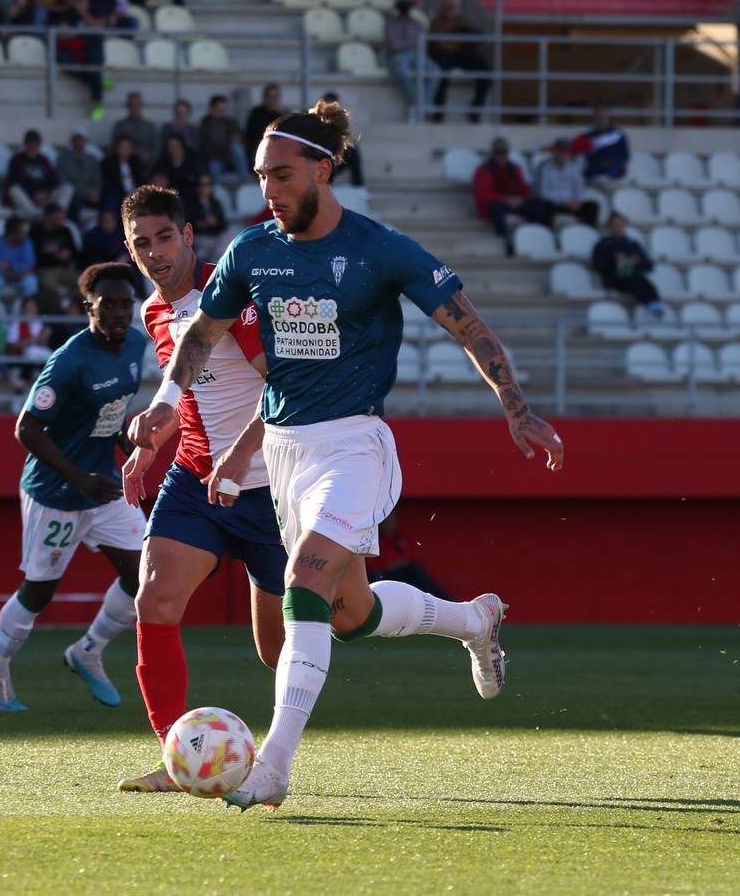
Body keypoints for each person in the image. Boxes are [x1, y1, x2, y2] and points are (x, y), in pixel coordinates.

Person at [127, 99, 564, 809]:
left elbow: (468, 326)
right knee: (347, 613)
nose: (269, 189)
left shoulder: (378, 248)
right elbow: (200, 338)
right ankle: (471, 621)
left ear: (323, 170)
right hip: (289, 456)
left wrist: (515, 405)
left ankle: (271, 769)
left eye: (283, 173)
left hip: (354, 445)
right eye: (262, 175)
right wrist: (167, 406)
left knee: (305, 577)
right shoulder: (251, 252)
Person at [107, 184, 281, 791]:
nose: (154, 253)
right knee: (153, 600)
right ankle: (178, 761)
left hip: (270, 487)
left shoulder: (232, 295)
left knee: (295, 641)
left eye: (163, 237)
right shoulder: (155, 313)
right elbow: (189, 398)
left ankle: (457, 619)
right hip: (195, 480)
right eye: (140, 244)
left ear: (187, 235)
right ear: (130, 252)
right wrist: (148, 449)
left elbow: (285, 392)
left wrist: (240, 456)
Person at [0, 261, 149, 712]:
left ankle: (87, 651)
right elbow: (27, 428)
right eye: (107, 304)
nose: (116, 313)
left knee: (144, 571)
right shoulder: (69, 361)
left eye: (124, 304)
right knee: (39, 591)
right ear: (88, 305)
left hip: (102, 486)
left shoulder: (134, 344)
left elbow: (107, 413)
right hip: (56, 491)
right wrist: (79, 478)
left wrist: (124, 451)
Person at [427, 0, 491, 124]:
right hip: (442, 55)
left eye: (454, 6)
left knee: (486, 69)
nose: (451, 9)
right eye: (449, 5)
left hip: (459, 55)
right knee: (442, 73)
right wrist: (450, 44)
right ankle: (438, 113)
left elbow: (473, 40)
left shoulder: (462, 22)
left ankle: (476, 109)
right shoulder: (436, 22)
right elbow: (435, 43)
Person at [592, 212, 665, 318]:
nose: (618, 228)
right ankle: (652, 306)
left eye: (620, 225)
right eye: (615, 226)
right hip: (614, 279)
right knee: (634, 279)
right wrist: (614, 259)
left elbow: (648, 266)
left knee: (647, 284)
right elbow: (598, 265)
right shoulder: (603, 245)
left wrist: (637, 261)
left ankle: (655, 305)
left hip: (633, 277)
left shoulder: (632, 244)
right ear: (610, 227)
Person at [473, 137, 536, 256]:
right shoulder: (484, 170)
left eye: (504, 153)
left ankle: (535, 237)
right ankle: (503, 240)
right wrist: (504, 199)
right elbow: (482, 194)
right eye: (498, 153)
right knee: (497, 208)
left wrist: (521, 199)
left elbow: (524, 188)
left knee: (537, 207)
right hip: (497, 203)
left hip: (515, 202)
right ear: (494, 153)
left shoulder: (515, 168)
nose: (501, 156)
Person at [50, 0, 107, 121]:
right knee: (64, 60)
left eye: (81, 0)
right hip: (73, 54)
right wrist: (81, 33)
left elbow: (99, 30)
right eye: (77, 0)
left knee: (94, 50)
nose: (79, 2)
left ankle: (97, 105)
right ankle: (98, 82)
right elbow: (62, 35)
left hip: (91, 52)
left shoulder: (95, 11)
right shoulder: (67, 13)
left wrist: (84, 15)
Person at [530, 138, 600, 228]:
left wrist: (577, 201)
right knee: (544, 207)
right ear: (555, 152)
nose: (564, 155)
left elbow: (580, 189)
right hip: (554, 203)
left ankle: (589, 233)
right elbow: (542, 192)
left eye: (566, 152)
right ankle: (548, 235)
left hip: (571, 204)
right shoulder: (544, 167)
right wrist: (562, 202)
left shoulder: (574, 167)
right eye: (561, 152)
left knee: (592, 206)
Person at [385, 0, 433, 122]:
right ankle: (418, 104)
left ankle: (422, 105)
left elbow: (421, 44)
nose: (405, 11)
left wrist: (410, 45)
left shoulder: (417, 24)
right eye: (403, 8)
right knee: (402, 71)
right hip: (397, 56)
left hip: (415, 55)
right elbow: (394, 46)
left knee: (435, 71)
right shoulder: (390, 24)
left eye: (407, 8)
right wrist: (410, 44)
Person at [31, 204, 80, 312]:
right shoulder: (36, 232)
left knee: (83, 282)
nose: (62, 220)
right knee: (49, 286)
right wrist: (55, 256)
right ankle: (59, 315)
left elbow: (75, 253)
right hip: (45, 270)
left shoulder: (65, 231)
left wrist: (67, 255)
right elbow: (35, 256)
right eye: (59, 218)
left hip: (64, 269)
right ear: (50, 217)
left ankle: (75, 311)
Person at [5, 130, 58, 220]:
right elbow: (13, 181)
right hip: (26, 198)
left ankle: (57, 216)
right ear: (25, 145)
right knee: (14, 190)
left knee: (67, 188)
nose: (33, 147)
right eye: (30, 144)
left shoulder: (44, 160)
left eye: (36, 144)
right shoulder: (16, 160)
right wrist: (33, 194)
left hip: (44, 197)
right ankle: (37, 216)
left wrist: (46, 193)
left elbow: (53, 180)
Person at [0, 217, 38, 304]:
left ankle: (27, 312)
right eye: (22, 232)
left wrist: (11, 266)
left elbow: (29, 264)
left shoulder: (26, 242)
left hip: (18, 277)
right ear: (13, 233)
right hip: (0, 276)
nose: (25, 234)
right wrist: (12, 272)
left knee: (31, 281)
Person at [571, 107, 630, 183]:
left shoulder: (618, 134)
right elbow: (571, 151)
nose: (601, 119)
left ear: (609, 118)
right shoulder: (587, 137)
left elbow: (625, 156)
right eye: (598, 117)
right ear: (594, 119)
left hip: (614, 175)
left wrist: (611, 163)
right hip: (593, 175)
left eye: (604, 116)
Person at [6, 295, 52, 386]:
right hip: (21, 360)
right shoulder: (16, 324)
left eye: (33, 308)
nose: (31, 311)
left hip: (40, 359)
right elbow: (11, 346)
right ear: (23, 310)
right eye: (28, 308)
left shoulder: (41, 324)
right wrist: (32, 340)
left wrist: (44, 338)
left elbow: (44, 345)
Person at [57, 126, 102, 218]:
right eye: (77, 139)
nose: (79, 142)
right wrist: (85, 193)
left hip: (90, 195)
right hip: (72, 196)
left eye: (81, 139)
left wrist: (95, 191)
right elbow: (63, 182)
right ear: (72, 141)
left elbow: (97, 180)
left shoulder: (92, 160)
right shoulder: (63, 159)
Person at [199, 95, 245, 181]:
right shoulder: (205, 125)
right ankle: (216, 192)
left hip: (229, 157)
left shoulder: (230, 122)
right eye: (219, 109)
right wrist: (226, 156)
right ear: (212, 110)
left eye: (223, 109)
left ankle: (246, 180)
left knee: (237, 148)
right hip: (215, 158)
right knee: (214, 166)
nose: (222, 112)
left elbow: (239, 135)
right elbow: (206, 148)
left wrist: (236, 137)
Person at [184, 173, 228, 262]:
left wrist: (215, 223)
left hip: (215, 236)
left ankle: (212, 260)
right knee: (221, 246)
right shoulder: (190, 204)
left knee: (230, 234)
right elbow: (186, 223)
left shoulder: (216, 204)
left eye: (208, 184)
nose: (205, 188)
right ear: (197, 187)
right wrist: (201, 224)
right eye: (203, 185)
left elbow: (223, 224)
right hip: (200, 236)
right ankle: (215, 262)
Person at [243, 84, 284, 178]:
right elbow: (250, 134)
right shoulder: (256, 113)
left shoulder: (283, 115)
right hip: (258, 147)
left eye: (275, 97)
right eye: (271, 97)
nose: (273, 100)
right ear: (265, 98)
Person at [100, 135, 148, 211]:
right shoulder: (108, 163)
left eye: (128, 147)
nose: (125, 150)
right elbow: (110, 183)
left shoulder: (135, 161)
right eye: (123, 147)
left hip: (134, 192)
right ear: (117, 148)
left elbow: (141, 179)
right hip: (117, 194)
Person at [112, 92, 159, 166]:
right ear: (128, 106)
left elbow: (156, 147)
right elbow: (114, 147)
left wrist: (149, 156)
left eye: (137, 104)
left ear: (141, 106)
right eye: (132, 105)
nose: (134, 107)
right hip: (125, 164)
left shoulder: (149, 126)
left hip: (146, 164)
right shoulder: (120, 126)